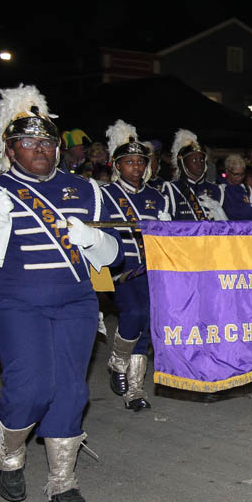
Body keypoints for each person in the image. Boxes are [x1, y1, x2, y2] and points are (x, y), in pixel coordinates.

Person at [0, 85, 121, 502]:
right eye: (27, 142)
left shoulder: (85, 189)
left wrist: (93, 239)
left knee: (70, 389)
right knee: (31, 385)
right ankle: (8, 454)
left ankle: (62, 478)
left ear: (58, 147)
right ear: (10, 149)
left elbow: (115, 255)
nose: (39, 149)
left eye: (46, 141)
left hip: (76, 302)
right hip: (15, 302)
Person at [100, 120, 171, 410]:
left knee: (147, 323)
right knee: (134, 313)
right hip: (122, 269)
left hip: (151, 269)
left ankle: (135, 391)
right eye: (129, 162)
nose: (136, 168)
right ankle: (118, 364)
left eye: (140, 162)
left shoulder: (156, 196)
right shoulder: (105, 194)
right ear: (118, 165)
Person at [161, 130, 227, 221]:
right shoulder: (172, 189)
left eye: (202, 160)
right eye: (194, 160)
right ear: (183, 163)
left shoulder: (217, 190)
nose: (199, 163)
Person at [219, 153, 252, 220]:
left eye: (242, 174)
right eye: (236, 174)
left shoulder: (247, 189)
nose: (240, 178)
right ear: (227, 172)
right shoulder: (219, 189)